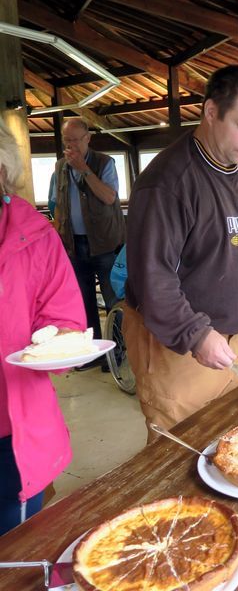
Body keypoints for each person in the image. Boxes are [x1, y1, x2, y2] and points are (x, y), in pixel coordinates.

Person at [123, 65, 238, 440]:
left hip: (232, 339)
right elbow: (154, 279)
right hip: (177, 346)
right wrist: (196, 334)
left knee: (229, 441)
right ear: (211, 111)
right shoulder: (168, 182)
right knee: (181, 452)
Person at [0, 119, 87, 535]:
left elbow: (65, 318)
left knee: (15, 553)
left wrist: (58, 344)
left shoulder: (34, 237)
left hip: (12, 431)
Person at [51, 118, 125, 359]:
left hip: (103, 244)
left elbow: (109, 197)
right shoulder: (60, 166)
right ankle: (93, 353)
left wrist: (84, 168)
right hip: (73, 244)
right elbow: (56, 204)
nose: (72, 145)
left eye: (76, 140)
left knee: (113, 299)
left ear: (88, 138)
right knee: (83, 301)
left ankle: (118, 352)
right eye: (67, 140)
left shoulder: (105, 162)